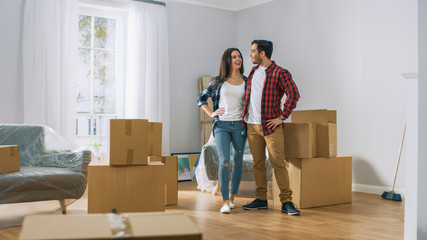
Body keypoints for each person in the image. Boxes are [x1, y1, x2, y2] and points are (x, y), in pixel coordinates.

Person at [242, 40, 301, 215]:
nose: (250, 54)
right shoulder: (252, 72)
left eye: (253, 51)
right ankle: (261, 199)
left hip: (270, 126)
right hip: (252, 126)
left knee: (278, 164)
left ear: (262, 53)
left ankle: (287, 201)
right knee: (258, 163)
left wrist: (282, 117)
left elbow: (294, 94)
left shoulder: (280, 73)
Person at [197, 48, 247, 214]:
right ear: (228, 60)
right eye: (234, 57)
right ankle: (225, 201)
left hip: (240, 125)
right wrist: (211, 113)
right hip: (222, 126)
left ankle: (232, 198)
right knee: (225, 160)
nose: (237, 59)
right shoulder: (219, 81)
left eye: (239, 56)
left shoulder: (247, 81)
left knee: (238, 161)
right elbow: (201, 99)